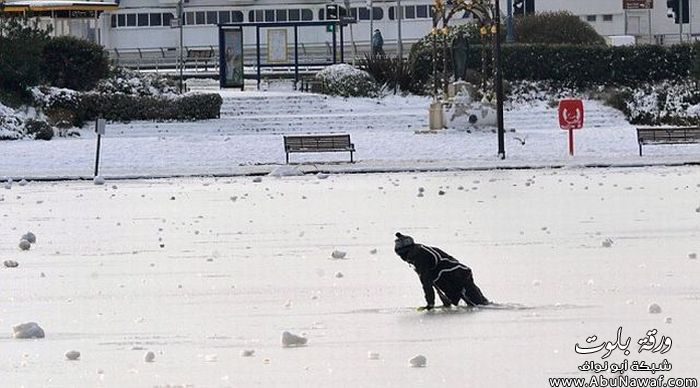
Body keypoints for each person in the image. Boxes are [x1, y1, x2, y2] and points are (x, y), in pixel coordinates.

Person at [394, 232, 489, 310]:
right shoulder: (419, 250)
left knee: (479, 305)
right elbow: (433, 281)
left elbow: (426, 281)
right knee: (474, 302)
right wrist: (446, 302)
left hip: (456, 276)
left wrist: (430, 303)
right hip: (457, 274)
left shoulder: (419, 257)